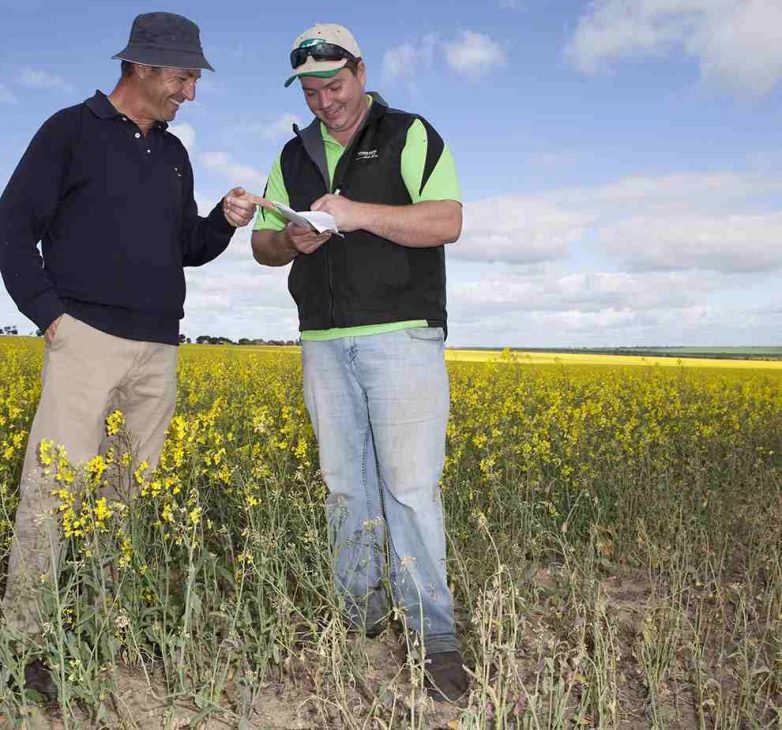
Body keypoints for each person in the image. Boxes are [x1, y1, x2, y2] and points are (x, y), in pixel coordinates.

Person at [0, 11, 270, 698]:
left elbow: (186, 248)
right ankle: (25, 644)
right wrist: (50, 316)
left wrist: (223, 223)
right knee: (53, 497)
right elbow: (11, 228)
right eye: (183, 77)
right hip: (84, 339)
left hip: (160, 348)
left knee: (128, 499)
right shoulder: (69, 130)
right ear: (142, 67)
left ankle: (96, 625)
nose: (191, 92)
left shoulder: (175, 154)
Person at [251, 23, 468, 701]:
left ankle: (435, 638)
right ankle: (360, 616)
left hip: (402, 334)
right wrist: (291, 239)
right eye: (312, 91)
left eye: (335, 85)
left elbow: (445, 221)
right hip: (322, 339)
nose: (325, 101)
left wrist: (355, 214)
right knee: (344, 486)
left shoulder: (409, 133)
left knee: (408, 489)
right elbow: (262, 246)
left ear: (361, 71)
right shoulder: (292, 154)